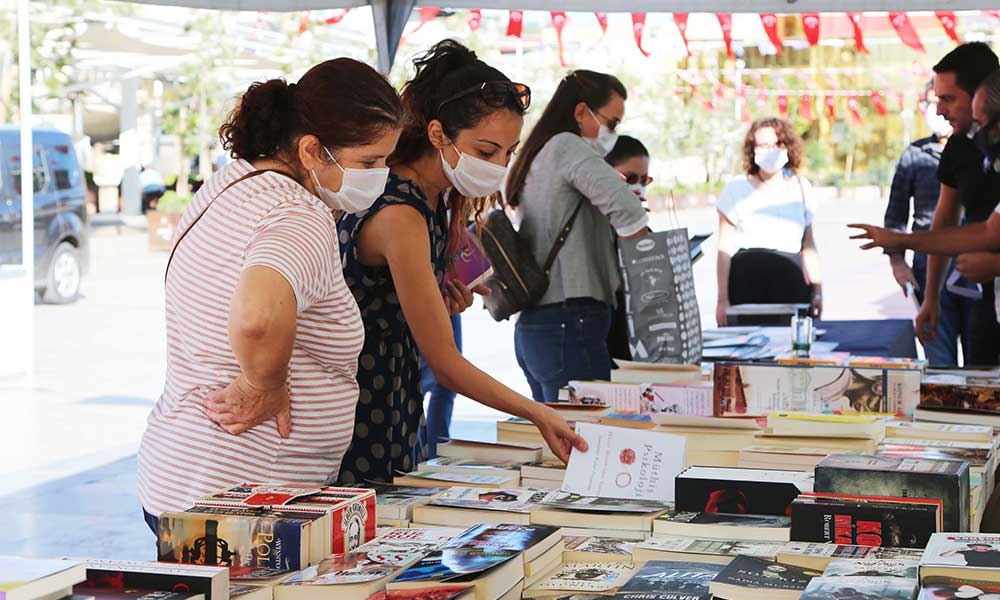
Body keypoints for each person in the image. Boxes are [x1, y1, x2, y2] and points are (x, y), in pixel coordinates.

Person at [135, 59, 405, 531]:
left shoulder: (231, 183)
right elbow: (258, 315)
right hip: (244, 497)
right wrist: (263, 384)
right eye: (368, 162)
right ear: (311, 150)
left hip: (185, 477)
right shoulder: (298, 215)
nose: (380, 175)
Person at [333, 40, 586, 485]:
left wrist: (435, 298)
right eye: (487, 151)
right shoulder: (401, 212)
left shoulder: (437, 199)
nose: (499, 165)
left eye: (508, 151)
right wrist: (537, 412)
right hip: (360, 410)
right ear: (437, 134)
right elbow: (446, 363)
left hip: (393, 401)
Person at [850, 43, 1000, 364]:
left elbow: (988, 235)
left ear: (981, 97)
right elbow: (973, 229)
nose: (940, 110)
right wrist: (931, 295)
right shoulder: (962, 146)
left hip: (984, 283)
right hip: (981, 296)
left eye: (948, 99)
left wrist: (901, 239)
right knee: (972, 388)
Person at [506, 70, 650, 403]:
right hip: (570, 322)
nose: (612, 135)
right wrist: (649, 271)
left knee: (563, 444)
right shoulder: (567, 145)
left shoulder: (539, 152)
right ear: (581, 112)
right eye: (611, 123)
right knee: (591, 440)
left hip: (539, 327)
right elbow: (627, 206)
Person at [715, 117, 822, 326]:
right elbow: (724, 247)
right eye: (763, 145)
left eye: (777, 144)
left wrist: (818, 291)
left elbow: (808, 244)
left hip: (791, 286)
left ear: (788, 147)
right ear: (752, 149)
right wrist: (722, 299)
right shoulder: (735, 189)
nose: (770, 150)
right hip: (746, 286)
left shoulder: (802, 187)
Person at [884, 79, 959, 365]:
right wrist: (897, 263)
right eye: (931, 102)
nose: (938, 109)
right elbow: (895, 215)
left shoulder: (980, 152)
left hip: (974, 263)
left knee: (982, 358)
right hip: (927, 265)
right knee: (939, 357)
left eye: (945, 100)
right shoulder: (914, 154)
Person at [603, 135, 653, 363]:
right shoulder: (595, 226)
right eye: (630, 177)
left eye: (644, 180)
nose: (638, 186)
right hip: (609, 345)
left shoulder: (641, 225)